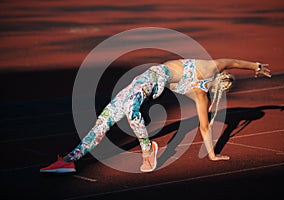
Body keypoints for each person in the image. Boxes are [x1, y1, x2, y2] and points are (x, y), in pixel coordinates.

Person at [40, 58, 271, 173]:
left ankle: (148, 149)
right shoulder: (210, 68)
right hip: (146, 79)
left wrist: (212, 155)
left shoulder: (201, 96)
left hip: (147, 86)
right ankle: (69, 160)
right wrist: (257, 66)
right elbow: (233, 61)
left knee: (130, 111)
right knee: (104, 121)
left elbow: (204, 127)